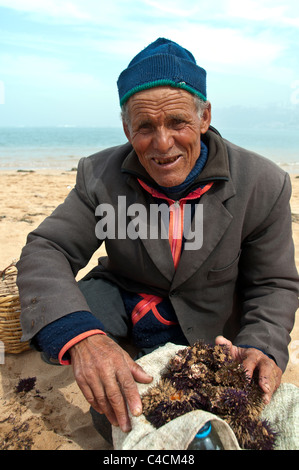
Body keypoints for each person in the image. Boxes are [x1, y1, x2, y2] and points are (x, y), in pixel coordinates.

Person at [16, 38, 299, 444]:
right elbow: (48, 248)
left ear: (205, 117)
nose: (162, 144)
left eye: (177, 123)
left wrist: (262, 346)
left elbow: (274, 283)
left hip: (213, 321)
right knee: (114, 404)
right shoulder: (99, 174)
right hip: (128, 304)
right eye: (145, 127)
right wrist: (84, 339)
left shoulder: (264, 182)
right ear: (126, 127)